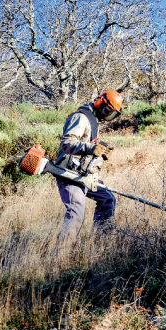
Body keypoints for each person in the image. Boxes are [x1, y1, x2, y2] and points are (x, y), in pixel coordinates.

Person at [55, 90, 123, 255]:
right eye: (107, 111)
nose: (108, 116)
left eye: (111, 114)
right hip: (69, 174)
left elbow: (86, 144)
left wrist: (101, 149)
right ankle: (60, 257)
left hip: (83, 174)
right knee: (76, 211)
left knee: (107, 199)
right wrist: (91, 148)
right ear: (100, 102)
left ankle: (98, 247)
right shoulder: (80, 117)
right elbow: (67, 143)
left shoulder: (93, 120)